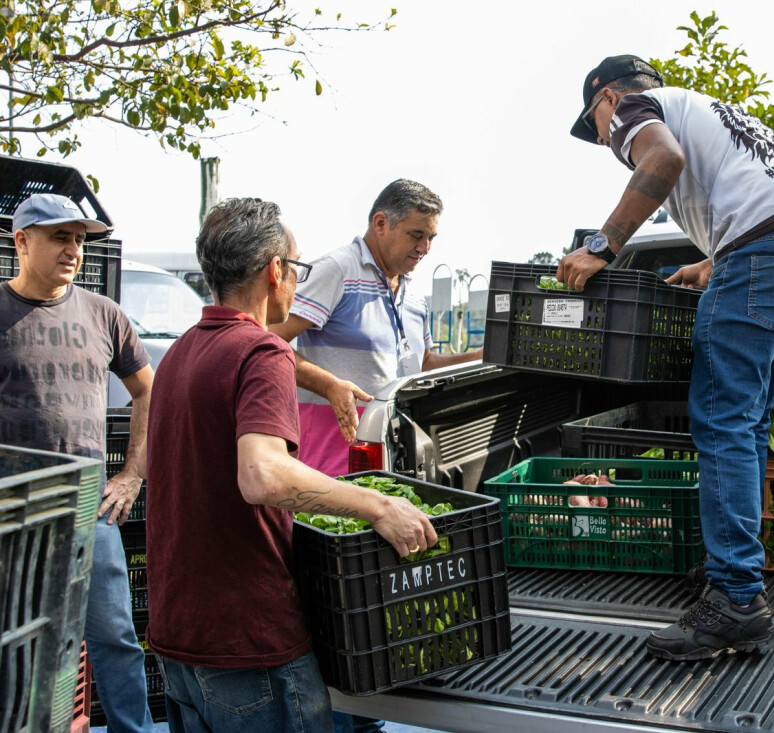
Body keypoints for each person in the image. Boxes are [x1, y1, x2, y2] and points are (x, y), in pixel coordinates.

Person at [558, 55, 774, 661]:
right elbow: (765, 197)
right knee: (747, 421)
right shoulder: (710, 108)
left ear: (608, 98)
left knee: (722, 421)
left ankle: (736, 598)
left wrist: (601, 246)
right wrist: (716, 261)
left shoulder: (642, 109)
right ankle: (731, 570)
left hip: (770, 251)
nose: (607, 139)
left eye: (598, 122)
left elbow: (663, 161)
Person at [144, 198, 437, 732]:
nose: (298, 281)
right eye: (296, 268)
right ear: (275, 271)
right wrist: (378, 506)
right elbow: (264, 475)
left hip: (176, 640)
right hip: (249, 646)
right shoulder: (261, 353)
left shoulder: (182, 351)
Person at [0, 193, 156, 731]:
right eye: (59, 237)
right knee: (17, 643)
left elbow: (147, 391)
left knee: (114, 636)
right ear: (22, 241)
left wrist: (132, 473)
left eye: (80, 239)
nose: (73, 249)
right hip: (13, 513)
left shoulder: (104, 315)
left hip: (91, 508)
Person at [269, 179, 482, 478]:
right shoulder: (337, 269)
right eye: (416, 235)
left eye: (431, 237)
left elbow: (424, 364)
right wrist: (330, 386)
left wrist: (481, 357)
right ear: (380, 223)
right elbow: (269, 342)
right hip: (329, 461)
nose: (425, 248)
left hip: (395, 459)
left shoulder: (415, 296)